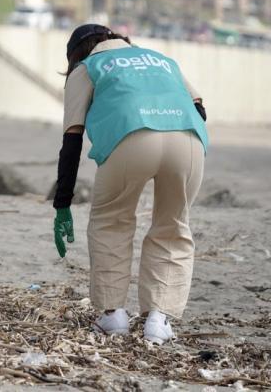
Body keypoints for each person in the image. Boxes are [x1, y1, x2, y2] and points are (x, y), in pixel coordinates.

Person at [52, 24, 207, 344]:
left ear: (75, 54)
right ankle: (158, 320)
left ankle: (113, 315)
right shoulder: (161, 59)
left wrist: (62, 202)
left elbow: (72, 139)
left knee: (111, 222)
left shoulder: (86, 67)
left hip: (130, 137)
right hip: (188, 140)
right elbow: (200, 108)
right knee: (173, 226)